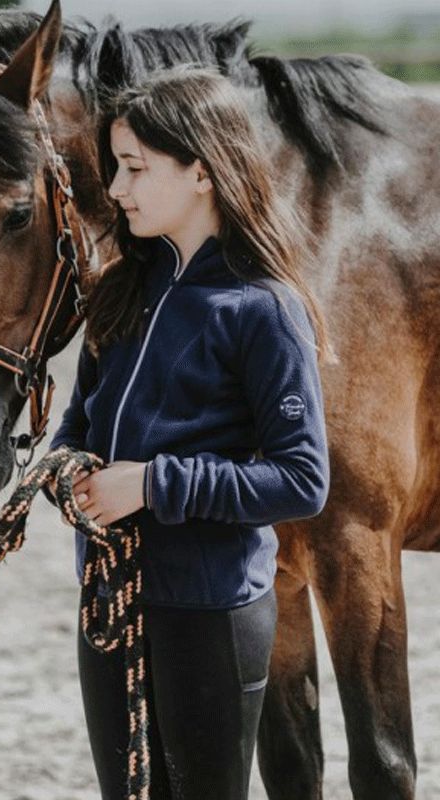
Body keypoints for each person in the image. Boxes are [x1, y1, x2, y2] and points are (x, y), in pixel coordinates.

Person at [44, 64, 332, 800]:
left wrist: (150, 483)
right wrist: (67, 475)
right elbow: (78, 425)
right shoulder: (121, 293)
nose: (116, 189)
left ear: (202, 170)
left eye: (136, 168)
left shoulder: (261, 310)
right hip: (110, 597)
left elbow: (302, 480)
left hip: (211, 612)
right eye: (115, 168)